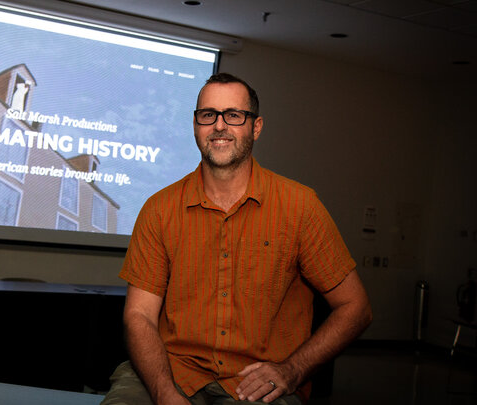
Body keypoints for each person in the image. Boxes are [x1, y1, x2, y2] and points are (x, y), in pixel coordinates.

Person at [101, 73, 372, 405]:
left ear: (255, 127)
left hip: (259, 382)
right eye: (208, 115)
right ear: (196, 125)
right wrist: (164, 392)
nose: (219, 126)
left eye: (233, 115)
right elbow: (139, 315)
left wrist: (292, 371)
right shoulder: (159, 209)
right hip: (171, 370)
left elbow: (355, 307)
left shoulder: (300, 206)